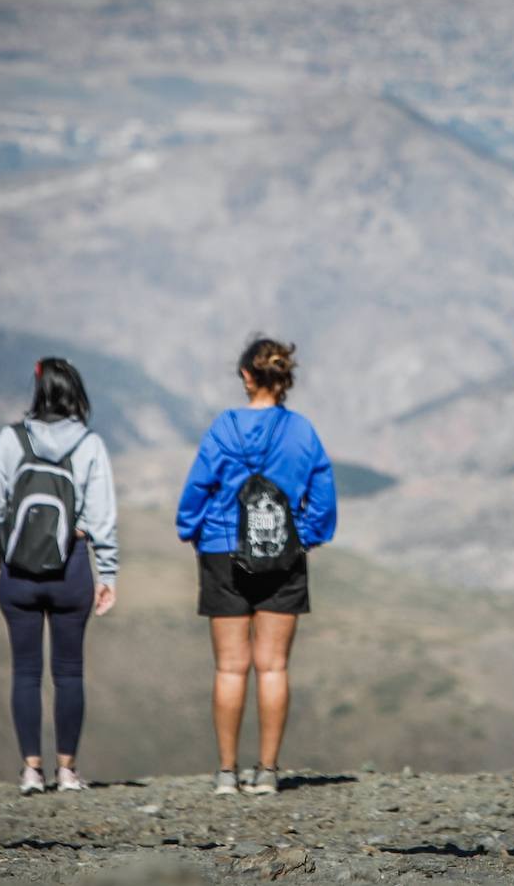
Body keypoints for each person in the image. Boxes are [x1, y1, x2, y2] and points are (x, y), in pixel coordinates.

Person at [176, 337, 337, 796]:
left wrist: (192, 529)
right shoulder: (302, 431)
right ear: (284, 377)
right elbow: (322, 500)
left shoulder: (224, 428)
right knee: (272, 668)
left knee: (230, 668)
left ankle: (227, 773)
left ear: (247, 375)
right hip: (282, 555)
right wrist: (303, 536)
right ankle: (267, 772)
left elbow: (198, 487)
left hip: (220, 551)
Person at [0, 358, 118, 795]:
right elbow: (102, 516)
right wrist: (108, 570)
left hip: (18, 570)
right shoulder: (90, 445)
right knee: (69, 672)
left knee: (25, 672)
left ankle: (31, 771)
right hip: (71, 567)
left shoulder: (10, 439)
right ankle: (68, 772)